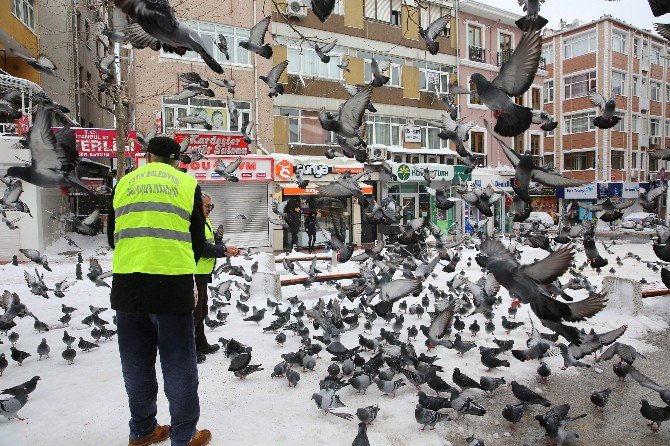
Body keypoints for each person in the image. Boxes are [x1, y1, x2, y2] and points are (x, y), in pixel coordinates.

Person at [107, 136, 211, 446]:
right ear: (176, 159)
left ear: (148, 156)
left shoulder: (124, 183)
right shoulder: (186, 184)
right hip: (171, 284)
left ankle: (142, 431)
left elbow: (113, 238)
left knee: (136, 364)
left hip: (127, 286)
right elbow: (196, 241)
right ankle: (184, 436)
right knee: (178, 365)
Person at [193, 192, 240, 363]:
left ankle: (201, 343)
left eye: (211, 206)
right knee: (195, 313)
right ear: (198, 205)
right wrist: (223, 250)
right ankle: (190, 348)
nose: (210, 209)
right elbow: (202, 248)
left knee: (202, 311)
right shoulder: (194, 222)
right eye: (207, 206)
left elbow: (213, 242)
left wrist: (226, 247)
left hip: (203, 273)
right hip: (194, 273)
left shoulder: (205, 222)